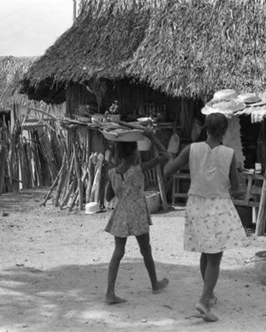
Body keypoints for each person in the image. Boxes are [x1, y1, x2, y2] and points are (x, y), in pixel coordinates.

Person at [164, 112, 247, 322]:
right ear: (225, 131)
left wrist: (169, 155)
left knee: (205, 252)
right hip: (218, 206)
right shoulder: (229, 153)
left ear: (205, 129)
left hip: (196, 205)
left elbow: (167, 171)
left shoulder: (191, 149)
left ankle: (209, 294)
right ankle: (203, 300)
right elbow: (237, 188)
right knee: (215, 257)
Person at [104, 130, 170, 304]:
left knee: (118, 252)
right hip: (138, 213)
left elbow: (108, 197)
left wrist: (114, 181)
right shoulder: (139, 169)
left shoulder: (112, 173)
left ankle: (110, 292)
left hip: (120, 214)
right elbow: (166, 155)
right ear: (135, 152)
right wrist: (153, 137)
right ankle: (155, 284)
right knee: (145, 249)